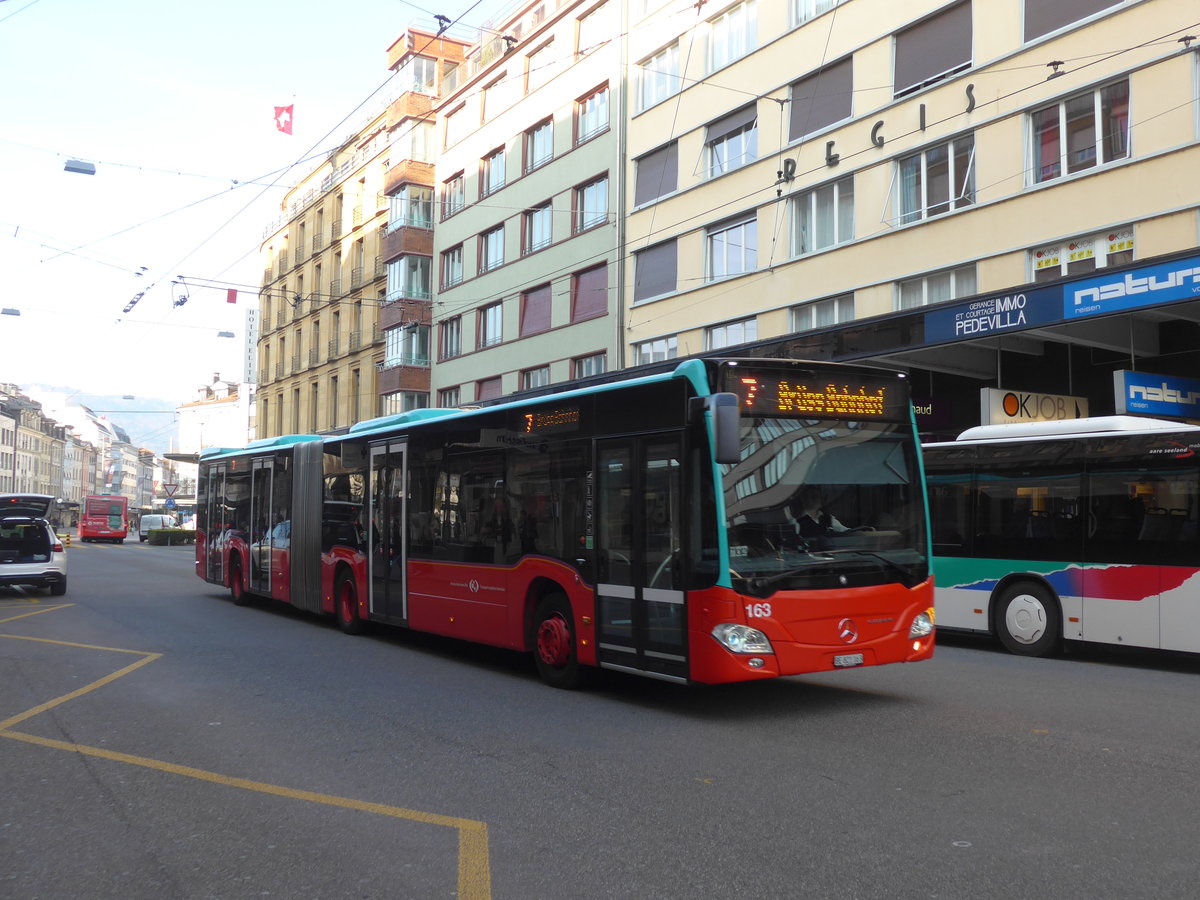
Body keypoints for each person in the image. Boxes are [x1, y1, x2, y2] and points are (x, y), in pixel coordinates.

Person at [786, 485, 852, 541]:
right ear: (803, 499)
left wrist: (859, 533)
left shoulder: (829, 519)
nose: (818, 499)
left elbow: (847, 532)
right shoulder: (795, 521)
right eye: (813, 496)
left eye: (819, 496)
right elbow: (793, 541)